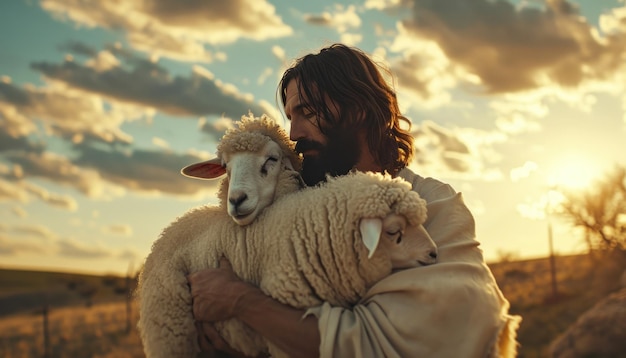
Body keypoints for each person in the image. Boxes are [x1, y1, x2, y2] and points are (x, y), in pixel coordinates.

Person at [187, 43, 521, 358]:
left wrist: (241, 303)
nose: (294, 134)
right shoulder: (287, 215)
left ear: (358, 108)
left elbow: (414, 338)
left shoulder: (432, 205)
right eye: (290, 116)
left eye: (306, 111)